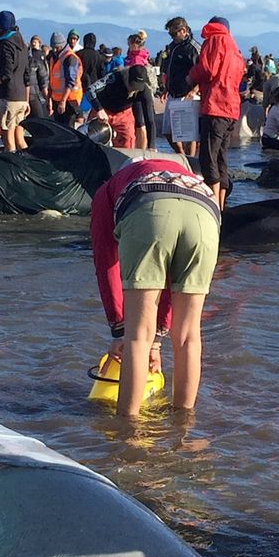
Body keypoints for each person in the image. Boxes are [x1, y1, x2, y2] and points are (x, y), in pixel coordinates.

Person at [90, 156, 221, 418]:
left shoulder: (107, 191)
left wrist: (118, 330)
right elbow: (170, 283)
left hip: (149, 208)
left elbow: (106, 264)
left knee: (137, 336)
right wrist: (158, 340)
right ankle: (184, 428)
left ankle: (128, 433)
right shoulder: (185, 175)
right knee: (188, 336)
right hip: (206, 212)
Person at [187, 16, 244, 209]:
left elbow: (208, 69)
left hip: (216, 104)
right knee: (221, 157)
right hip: (232, 108)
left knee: (208, 157)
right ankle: (220, 207)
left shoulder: (214, 40)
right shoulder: (234, 47)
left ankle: (211, 206)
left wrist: (191, 77)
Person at [91, 63, 159, 150]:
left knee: (128, 140)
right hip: (103, 109)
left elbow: (150, 121)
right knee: (93, 140)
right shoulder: (114, 77)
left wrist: (151, 146)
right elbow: (91, 90)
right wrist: (99, 109)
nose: (133, 89)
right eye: (132, 85)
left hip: (123, 113)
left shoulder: (145, 91)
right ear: (128, 77)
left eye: (137, 87)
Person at [161, 17, 201, 158]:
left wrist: (194, 90)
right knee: (168, 131)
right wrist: (166, 87)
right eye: (170, 34)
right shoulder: (172, 46)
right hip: (173, 92)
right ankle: (181, 155)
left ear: (183, 31)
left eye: (174, 34)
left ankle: (190, 160)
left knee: (188, 133)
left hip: (187, 93)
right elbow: (170, 68)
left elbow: (203, 70)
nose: (172, 37)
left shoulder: (193, 48)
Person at [0, 11, 29, 153]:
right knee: (20, 139)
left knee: (8, 142)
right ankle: (30, 166)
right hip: (22, 97)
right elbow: (27, 74)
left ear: (0, 28)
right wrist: (26, 99)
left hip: (10, 96)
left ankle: (13, 170)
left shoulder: (5, 44)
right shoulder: (23, 44)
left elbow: (6, 75)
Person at [47, 32, 83, 122]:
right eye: (53, 47)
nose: (55, 50)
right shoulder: (54, 58)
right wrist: (49, 98)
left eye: (57, 47)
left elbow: (71, 81)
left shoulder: (70, 58)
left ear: (62, 45)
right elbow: (52, 80)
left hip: (70, 100)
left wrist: (63, 101)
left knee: (68, 130)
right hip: (57, 99)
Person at [26, 34, 51, 119]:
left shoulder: (40, 55)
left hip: (30, 93)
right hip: (33, 93)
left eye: (35, 42)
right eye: (33, 42)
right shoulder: (33, 60)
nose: (34, 43)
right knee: (39, 118)